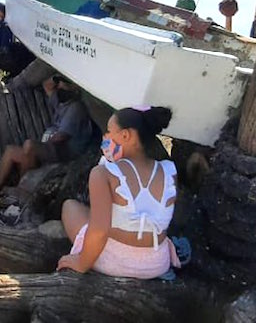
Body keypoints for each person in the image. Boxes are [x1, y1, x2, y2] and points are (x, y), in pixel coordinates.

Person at [57, 106, 181, 279]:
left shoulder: (103, 172)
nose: (105, 137)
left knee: (70, 207)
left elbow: (99, 231)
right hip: (156, 264)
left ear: (125, 136)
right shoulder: (170, 171)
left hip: (115, 262)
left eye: (109, 131)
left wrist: (80, 263)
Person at [0, 75, 93, 201]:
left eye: (64, 86)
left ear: (75, 89)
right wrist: (57, 79)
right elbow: (47, 85)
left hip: (66, 151)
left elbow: (61, 137)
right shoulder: (61, 103)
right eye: (59, 85)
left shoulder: (75, 108)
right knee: (11, 151)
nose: (59, 87)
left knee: (30, 146)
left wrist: (42, 145)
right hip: (55, 147)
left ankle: (22, 187)